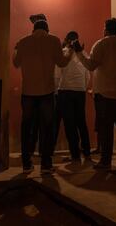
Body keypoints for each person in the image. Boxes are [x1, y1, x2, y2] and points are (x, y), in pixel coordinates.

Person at [75, 18, 116, 169]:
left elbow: (91, 66)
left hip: (105, 93)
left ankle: (106, 161)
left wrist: (79, 53)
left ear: (106, 29)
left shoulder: (101, 44)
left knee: (106, 128)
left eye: (104, 27)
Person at [13, 19, 72, 174]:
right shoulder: (54, 40)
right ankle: (46, 164)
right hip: (46, 92)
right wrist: (70, 51)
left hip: (28, 92)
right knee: (47, 128)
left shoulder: (23, 42)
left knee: (26, 127)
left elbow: (16, 63)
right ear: (47, 28)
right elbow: (62, 63)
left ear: (33, 29)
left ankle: (26, 163)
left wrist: (15, 49)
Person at [55, 31, 91, 162]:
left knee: (70, 124)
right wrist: (83, 87)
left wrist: (57, 90)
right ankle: (87, 152)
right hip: (80, 91)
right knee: (81, 122)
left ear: (66, 40)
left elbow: (57, 75)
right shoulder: (84, 54)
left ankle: (75, 155)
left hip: (65, 91)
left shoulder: (64, 53)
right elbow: (88, 76)